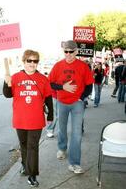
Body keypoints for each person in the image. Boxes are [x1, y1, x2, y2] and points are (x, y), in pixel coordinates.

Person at [3, 50, 53, 187]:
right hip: (20, 119)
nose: (32, 63)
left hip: (36, 120)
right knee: (24, 145)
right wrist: (6, 81)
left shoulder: (43, 79)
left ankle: (32, 175)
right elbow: (7, 94)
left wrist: (50, 115)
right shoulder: (15, 77)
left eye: (35, 61)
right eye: (29, 61)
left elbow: (48, 98)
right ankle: (25, 165)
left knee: (33, 147)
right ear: (24, 62)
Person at [48, 40, 94, 174]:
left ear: (76, 51)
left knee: (77, 134)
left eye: (71, 51)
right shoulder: (57, 66)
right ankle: (62, 148)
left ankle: (74, 163)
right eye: (65, 51)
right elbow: (49, 83)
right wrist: (63, 87)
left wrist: (81, 98)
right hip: (61, 102)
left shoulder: (83, 66)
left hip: (77, 104)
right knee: (62, 129)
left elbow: (89, 85)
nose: (68, 54)